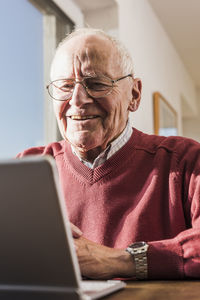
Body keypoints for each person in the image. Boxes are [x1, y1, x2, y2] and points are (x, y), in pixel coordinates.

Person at [18, 28, 200, 280]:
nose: (77, 100)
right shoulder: (28, 167)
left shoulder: (185, 160)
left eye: (96, 84)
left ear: (134, 95)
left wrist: (124, 261)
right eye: (65, 86)